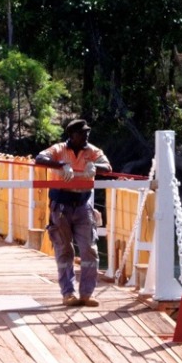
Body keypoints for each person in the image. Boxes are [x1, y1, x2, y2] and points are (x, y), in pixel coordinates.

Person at [34, 118, 111, 307]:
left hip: (83, 205)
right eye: (82, 133)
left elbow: (108, 167)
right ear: (71, 135)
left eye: (87, 133)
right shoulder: (59, 150)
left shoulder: (92, 151)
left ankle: (87, 293)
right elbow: (39, 159)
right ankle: (68, 293)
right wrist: (60, 165)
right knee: (64, 250)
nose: (86, 136)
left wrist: (94, 167)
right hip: (61, 205)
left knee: (89, 250)